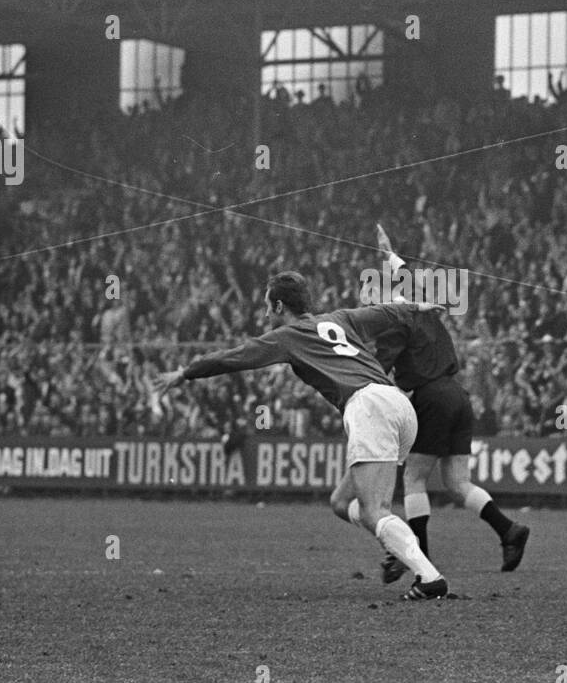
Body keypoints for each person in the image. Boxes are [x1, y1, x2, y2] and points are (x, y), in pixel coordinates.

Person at [150, 271, 453, 600]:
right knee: (341, 502)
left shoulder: (288, 336)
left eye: (268, 306)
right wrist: (419, 306)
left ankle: (429, 577)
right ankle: (399, 542)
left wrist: (186, 372)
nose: (266, 313)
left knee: (374, 511)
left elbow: (234, 357)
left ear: (280, 306)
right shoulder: (340, 318)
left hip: (368, 406)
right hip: (398, 403)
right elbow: (386, 312)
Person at [370, 226, 529, 584]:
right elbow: (408, 278)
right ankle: (509, 531)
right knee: (458, 483)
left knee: (413, 478)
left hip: (432, 397)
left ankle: (421, 562)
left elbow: (379, 367)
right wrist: (389, 255)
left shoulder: (395, 323)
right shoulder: (424, 310)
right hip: (458, 395)